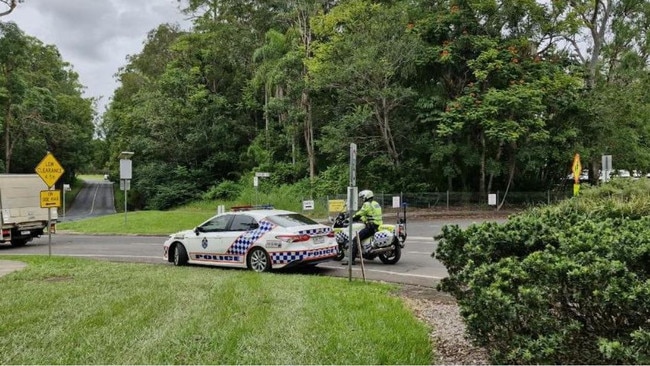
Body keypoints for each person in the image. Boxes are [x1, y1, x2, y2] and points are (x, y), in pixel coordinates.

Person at [341, 189, 383, 265]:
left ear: (366, 196)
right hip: (378, 225)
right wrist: (362, 218)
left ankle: (351, 260)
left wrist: (350, 219)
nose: (362, 199)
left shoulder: (367, 204)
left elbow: (360, 213)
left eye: (362, 197)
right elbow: (369, 214)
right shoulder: (375, 203)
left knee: (355, 239)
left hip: (371, 227)